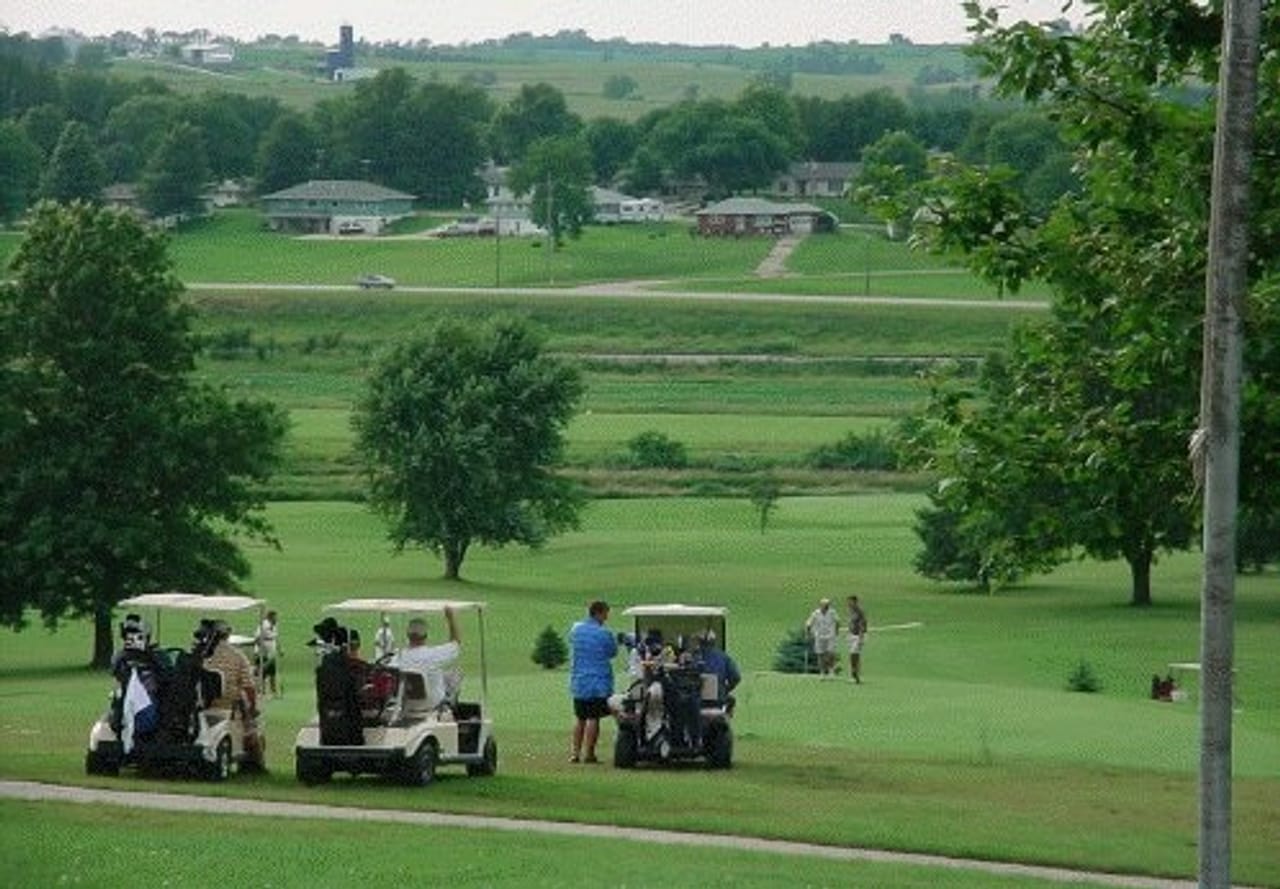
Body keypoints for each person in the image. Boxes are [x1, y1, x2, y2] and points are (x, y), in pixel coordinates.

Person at [200, 618, 265, 770]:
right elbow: (249, 688)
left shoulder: (200, 655)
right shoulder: (237, 656)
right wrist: (253, 709)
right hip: (228, 704)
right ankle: (256, 762)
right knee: (253, 724)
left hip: (201, 703)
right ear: (227, 635)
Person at [568, 600, 618, 764]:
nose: (606, 617)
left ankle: (575, 753)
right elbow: (612, 652)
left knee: (580, 717)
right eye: (605, 613)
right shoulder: (604, 633)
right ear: (598, 613)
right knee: (593, 717)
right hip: (597, 681)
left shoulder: (576, 630)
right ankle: (589, 753)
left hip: (580, 681)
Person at [390, 608, 461, 710]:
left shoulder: (398, 656)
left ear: (408, 635)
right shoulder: (433, 654)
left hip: (406, 704)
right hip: (433, 703)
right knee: (455, 675)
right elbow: (456, 643)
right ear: (425, 636)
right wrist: (451, 618)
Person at [696, 630, 741, 713]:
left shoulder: (694, 657)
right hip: (718, 699)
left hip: (697, 701)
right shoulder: (724, 657)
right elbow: (736, 677)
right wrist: (725, 689)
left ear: (700, 642)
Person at [805, 597, 841, 678]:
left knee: (830, 653)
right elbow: (808, 623)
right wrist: (808, 634)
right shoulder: (815, 613)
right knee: (820, 654)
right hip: (819, 636)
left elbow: (838, 622)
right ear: (821, 605)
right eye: (825, 605)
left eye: (827, 605)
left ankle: (831, 671)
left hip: (830, 636)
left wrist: (836, 632)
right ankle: (822, 672)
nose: (826, 607)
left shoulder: (832, 612)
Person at [254, 609, 280, 697]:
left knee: (273, 672)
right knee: (262, 672)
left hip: (271, 651)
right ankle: (261, 691)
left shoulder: (275, 625)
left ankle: (274, 691)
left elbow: (276, 637)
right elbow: (257, 638)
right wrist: (263, 650)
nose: (277, 618)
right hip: (263, 652)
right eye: (275, 617)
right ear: (270, 617)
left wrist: (279, 649)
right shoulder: (263, 625)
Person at [846, 595, 867, 684]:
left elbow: (863, 624)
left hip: (858, 635)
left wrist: (861, 636)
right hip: (852, 635)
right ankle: (854, 674)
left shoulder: (859, 612)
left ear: (855, 602)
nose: (848, 603)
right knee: (853, 655)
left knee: (854, 654)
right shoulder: (851, 611)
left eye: (850, 601)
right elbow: (851, 623)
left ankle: (856, 675)